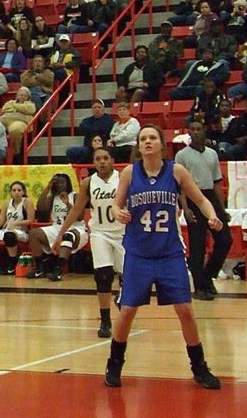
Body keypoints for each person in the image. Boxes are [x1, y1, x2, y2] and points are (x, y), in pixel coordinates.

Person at [104, 125, 223, 390]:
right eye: (143, 138)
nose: (147, 142)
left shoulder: (176, 171)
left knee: (186, 311)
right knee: (127, 312)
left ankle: (199, 368)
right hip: (138, 253)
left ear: (161, 144)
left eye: (152, 138)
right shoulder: (129, 173)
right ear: (138, 144)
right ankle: (114, 363)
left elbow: (201, 199)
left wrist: (212, 215)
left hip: (169, 253)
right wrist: (117, 212)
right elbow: (115, 204)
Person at [53, 146, 123, 337]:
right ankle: (105, 321)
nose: (101, 162)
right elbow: (76, 210)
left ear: (112, 160)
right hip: (100, 232)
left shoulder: (124, 178)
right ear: (93, 162)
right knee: (103, 276)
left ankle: (123, 302)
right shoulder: (88, 182)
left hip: (123, 234)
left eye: (105, 158)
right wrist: (61, 234)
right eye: (98, 158)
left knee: (127, 279)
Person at [173, 120, 232, 301]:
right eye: (193, 129)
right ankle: (199, 286)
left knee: (225, 239)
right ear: (189, 133)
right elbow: (180, 185)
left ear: (204, 131)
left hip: (210, 197)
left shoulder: (212, 154)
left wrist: (222, 209)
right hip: (192, 197)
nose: (196, 132)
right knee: (197, 246)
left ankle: (208, 275)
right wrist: (185, 207)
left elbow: (216, 183)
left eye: (199, 129)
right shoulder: (182, 155)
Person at [0, 181, 31, 275]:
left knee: (9, 236)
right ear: (10, 192)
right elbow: (0, 222)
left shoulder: (27, 202)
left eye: (19, 190)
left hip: (22, 232)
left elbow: (31, 220)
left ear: (23, 192)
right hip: (6, 229)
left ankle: (12, 262)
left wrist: (16, 223)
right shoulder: (7, 203)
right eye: (14, 190)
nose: (17, 192)